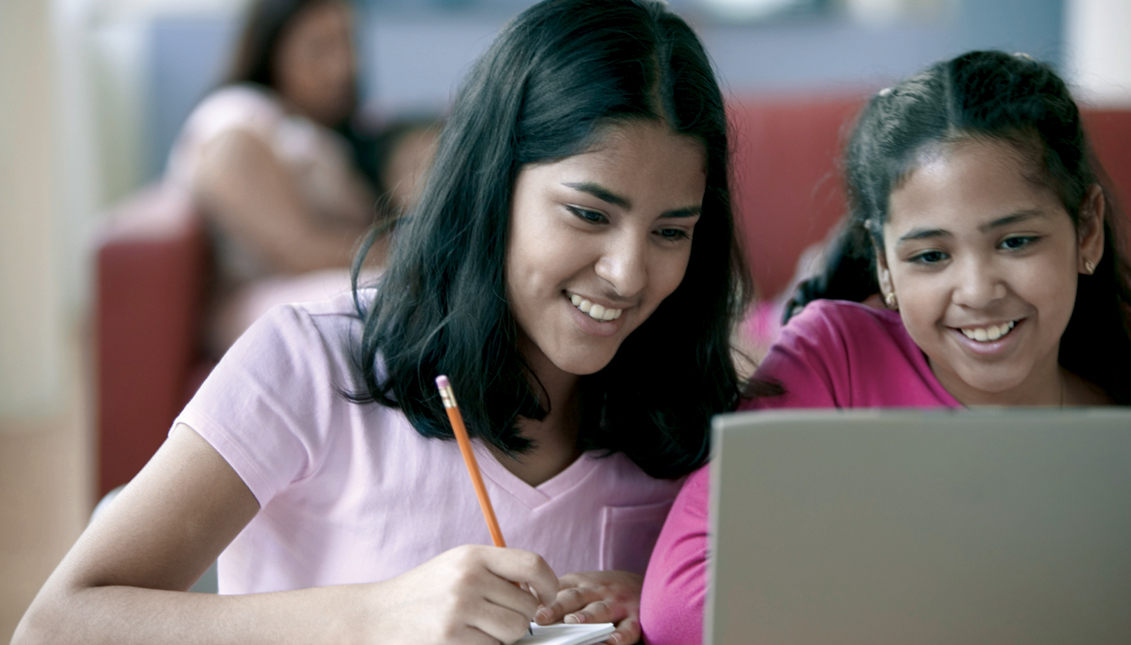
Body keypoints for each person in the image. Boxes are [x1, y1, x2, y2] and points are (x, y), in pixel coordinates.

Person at [14, 1, 751, 644]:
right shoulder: (307, 361)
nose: (627, 273)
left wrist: (664, 606)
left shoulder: (693, 419)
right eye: (588, 213)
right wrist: (370, 619)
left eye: (669, 231)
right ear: (492, 187)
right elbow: (56, 625)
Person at [640, 50, 1131, 645]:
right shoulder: (836, 360)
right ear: (885, 267)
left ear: (1087, 230)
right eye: (930, 256)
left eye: (1016, 241)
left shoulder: (1113, 429)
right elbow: (681, 602)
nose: (976, 290)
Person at [166, 0, 437, 355]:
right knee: (421, 298)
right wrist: (421, 255)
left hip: (310, 284)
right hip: (262, 298)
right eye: (319, 48)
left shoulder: (316, 129)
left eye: (348, 43)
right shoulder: (235, 124)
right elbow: (296, 250)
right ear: (272, 49)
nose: (344, 66)